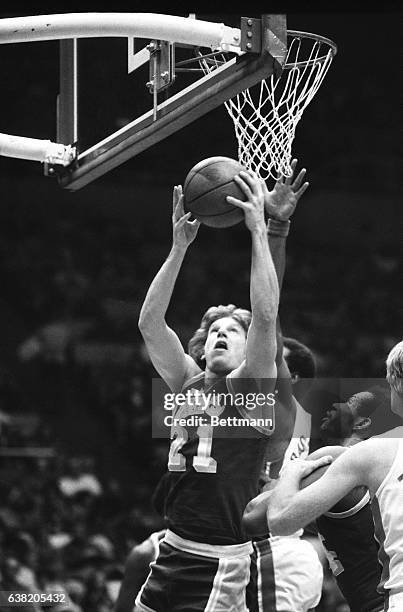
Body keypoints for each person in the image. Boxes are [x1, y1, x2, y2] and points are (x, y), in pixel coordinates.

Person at [136, 168, 282, 611]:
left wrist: (259, 230)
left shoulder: (250, 387)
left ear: (248, 349)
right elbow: (149, 323)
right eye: (214, 329)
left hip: (220, 559)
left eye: (231, 332)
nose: (220, 334)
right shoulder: (187, 381)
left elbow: (265, 316)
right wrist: (179, 248)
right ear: (201, 348)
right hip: (171, 546)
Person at [267, 339, 403, 611]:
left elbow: (273, 519)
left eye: (347, 404)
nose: (333, 406)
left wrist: (290, 472)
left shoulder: (356, 458)